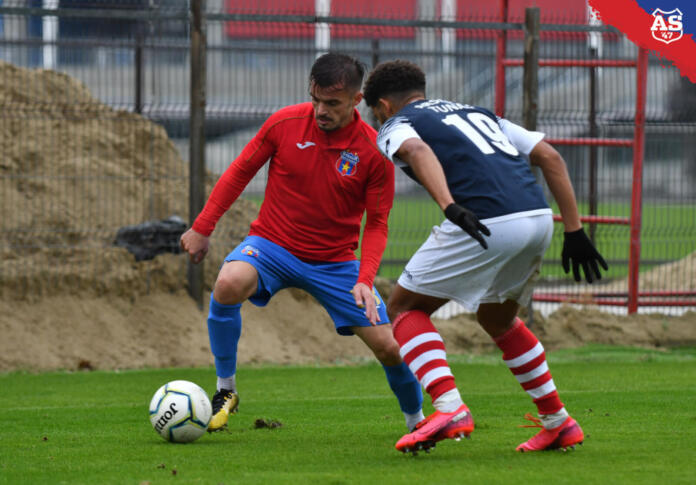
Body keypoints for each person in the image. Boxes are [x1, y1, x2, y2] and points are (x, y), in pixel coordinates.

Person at [363, 60, 608, 454]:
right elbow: (549, 157)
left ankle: (449, 408)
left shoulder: (396, 123)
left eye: (375, 113)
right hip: (538, 218)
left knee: (404, 308)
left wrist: (448, 206)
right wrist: (575, 230)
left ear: (384, 106)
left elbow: (417, 150)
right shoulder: (477, 113)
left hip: (485, 221)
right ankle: (558, 421)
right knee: (498, 318)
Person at [179, 53, 424, 434]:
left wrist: (365, 278)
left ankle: (417, 422)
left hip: (335, 262)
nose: (320, 110)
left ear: (356, 100)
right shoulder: (285, 123)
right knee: (228, 283)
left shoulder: (374, 151)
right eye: (315, 99)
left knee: (389, 347)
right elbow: (240, 171)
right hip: (272, 246)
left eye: (332, 103)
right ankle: (225, 390)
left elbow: (377, 224)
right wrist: (202, 227)